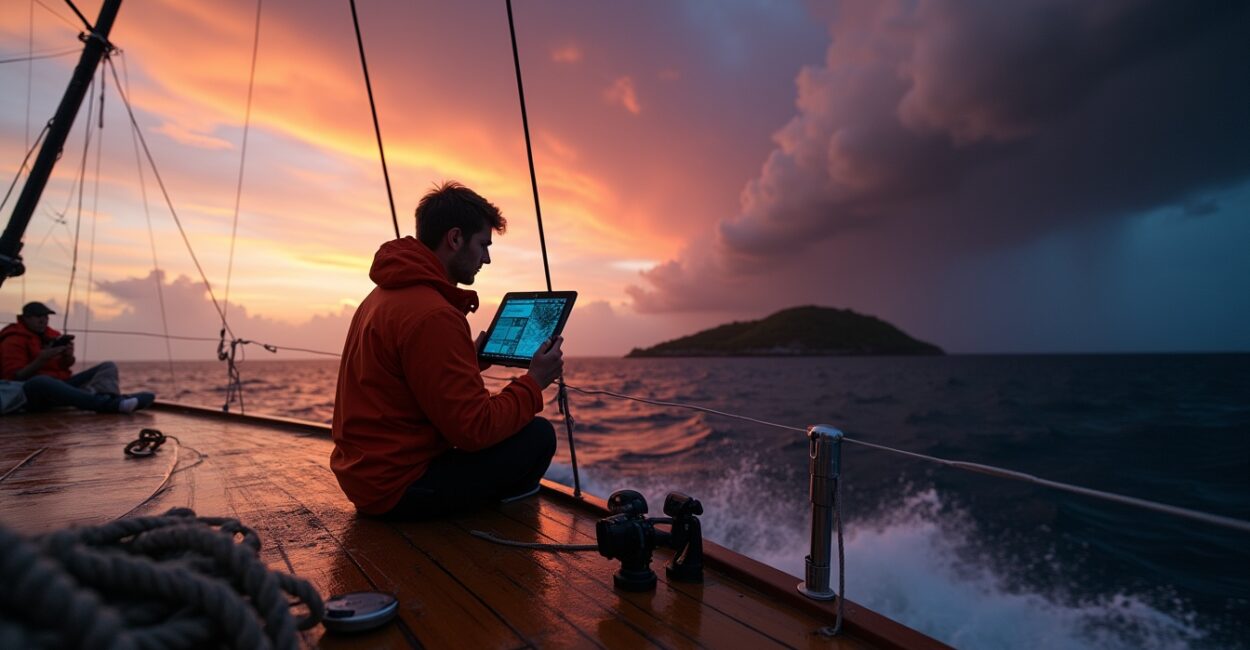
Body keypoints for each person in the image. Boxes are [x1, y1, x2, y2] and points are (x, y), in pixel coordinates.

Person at [331, 181, 564, 519]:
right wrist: (534, 381)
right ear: (455, 239)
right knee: (538, 436)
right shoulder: (435, 314)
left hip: (364, 477)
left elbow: (409, 380)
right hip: (399, 488)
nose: (487, 258)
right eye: (483, 244)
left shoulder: (383, 296)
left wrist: (468, 360)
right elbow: (474, 429)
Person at [0, 302, 154, 414]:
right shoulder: (13, 339)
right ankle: (110, 405)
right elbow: (14, 378)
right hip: (32, 393)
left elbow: (64, 367)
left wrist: (68, 357)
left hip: (62, 386)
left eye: (46, 316)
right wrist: (41, 360)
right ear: (25, 318)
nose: (43, 320)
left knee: (108, 366)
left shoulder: (52, 336)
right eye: (38, 317)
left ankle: (111, 399)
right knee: (40, 382)